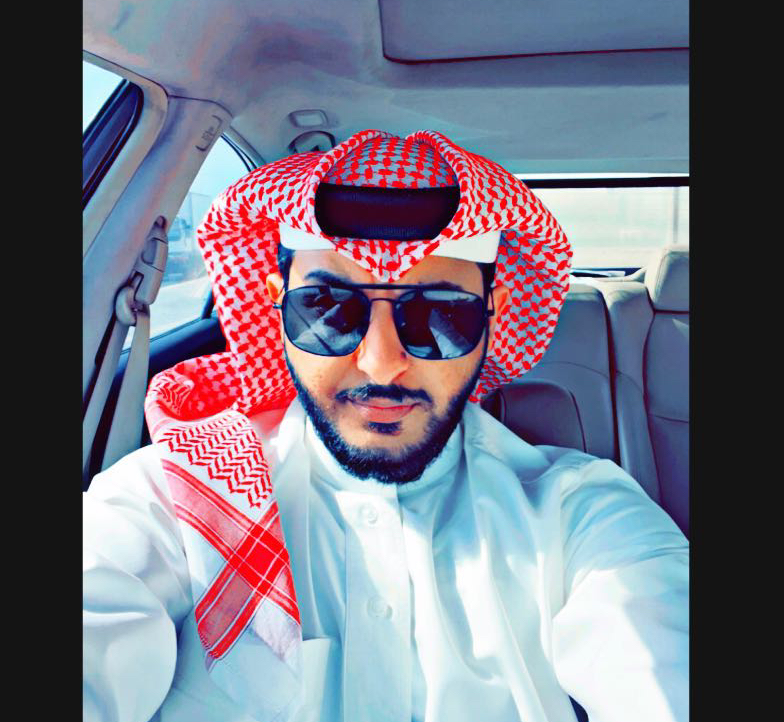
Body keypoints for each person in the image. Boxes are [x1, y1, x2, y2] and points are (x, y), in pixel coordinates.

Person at [83, 129, 688, 722]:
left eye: (438, 314)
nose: (380, 364)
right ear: (275, 305)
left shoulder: (577, 512)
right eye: (328, 310)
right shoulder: (174, 496)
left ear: (492, 315)